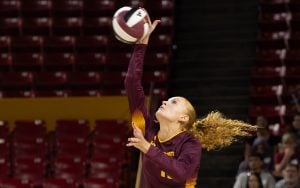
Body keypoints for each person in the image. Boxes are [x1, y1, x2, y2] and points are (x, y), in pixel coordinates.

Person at [124, 13, 257, 188]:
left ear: (184, 118)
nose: (164, 102)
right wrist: (141, 43)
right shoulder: (146, 129)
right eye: (168, 100)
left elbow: (182, 174)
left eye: (173, 102)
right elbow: (131, 82)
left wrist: (147, 148)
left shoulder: (190, 143)